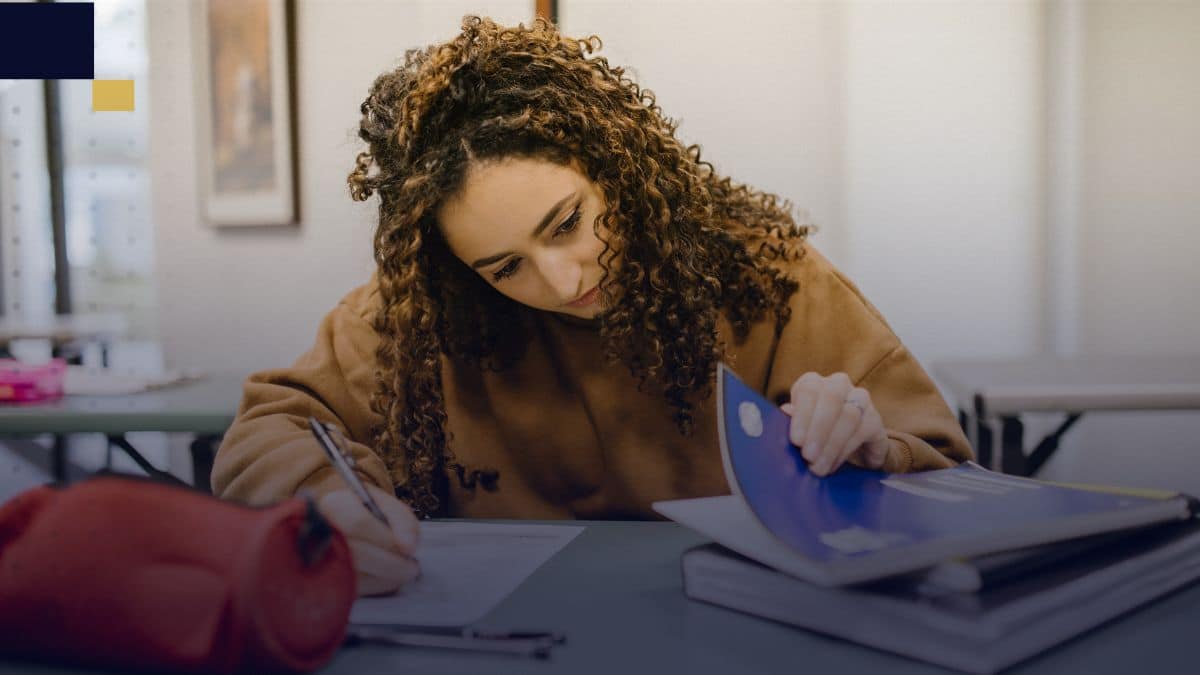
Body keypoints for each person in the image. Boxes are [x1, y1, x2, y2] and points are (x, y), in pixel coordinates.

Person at [212, 16, 972, 596]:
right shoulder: (421, 318)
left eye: (567, 222)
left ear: (615, 166)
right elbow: (269, 428)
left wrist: (877, 452)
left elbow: (947, 472)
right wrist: (331, 504)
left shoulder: (768, 279)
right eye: (505, 267)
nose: (563, 279)